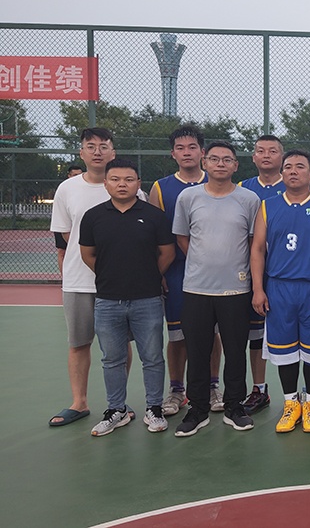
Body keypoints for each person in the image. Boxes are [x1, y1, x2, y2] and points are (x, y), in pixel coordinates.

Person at [79, 158, 174, 436]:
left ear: (138, 184)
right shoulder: (93, 216)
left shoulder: (154, 216)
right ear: (106, 183)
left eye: (129, 179)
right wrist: (112, 274)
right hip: (107, 301)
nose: (122, 184)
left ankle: (154, 408)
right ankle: (116, 410)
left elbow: (167, 253)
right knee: (112, 359)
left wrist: (148, 275)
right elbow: (88, 254)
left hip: (147, 299)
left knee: (152, 357)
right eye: (116, 179)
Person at [172, 141, 260, 436]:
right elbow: (183, 238)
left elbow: (254, 243)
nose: (220, 164)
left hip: (236, 289)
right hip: (196, 289)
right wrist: (203, 263)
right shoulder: (188, 197)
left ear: (236, 165)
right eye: (214, 159)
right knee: (197, 352)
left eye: (227, 159)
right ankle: (198, 409)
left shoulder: (249, 199)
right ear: (205, 163)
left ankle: (234, 406)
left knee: (235, 351)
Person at [251, 150, 310, 434]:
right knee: (284, 352)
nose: (293, 171)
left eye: (300, 167)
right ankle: (291, 403)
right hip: (279, 287)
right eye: (288, 166)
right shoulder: (267, 206)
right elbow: (257, 249)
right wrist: (258, 289)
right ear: (282, 173)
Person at [48, 129, 118, 427]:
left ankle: (118, 403)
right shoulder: (67, 189)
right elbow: (66, 234)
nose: (97, 152)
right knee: (78, 343)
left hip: (116, 281)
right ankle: (79, 402)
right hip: (78, 280)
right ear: (81, 153)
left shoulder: (124, 184)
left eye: (103, 146)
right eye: (91, 146)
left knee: (118, 346)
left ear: (113, 153)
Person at [148, 126, 216, 417]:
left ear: (202, 152)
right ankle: (177, 390)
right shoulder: (161, 188)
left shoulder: (218, 181)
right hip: (177, 272)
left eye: (192, 147)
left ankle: (213, 386)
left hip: (213, 273)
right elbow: (154, 235)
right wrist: (159, 271)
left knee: (213, 333)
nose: (186, 152)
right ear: (172, 153)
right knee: (177, 335)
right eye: (180, 147)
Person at [238, 135, 287, 415]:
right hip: (248, 273)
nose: (266, 155)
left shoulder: (297, 187)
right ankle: (258, 388)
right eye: (260, 151)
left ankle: (302, 393)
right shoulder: (242, 189)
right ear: (253, 157)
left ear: (282, 157)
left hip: (287, 274)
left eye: (273, 151)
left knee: (295, 332)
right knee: (253, 333)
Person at [54, 164, 85, 275]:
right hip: (64, 224)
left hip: (79, 225)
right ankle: (65, 278)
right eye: (75, 175)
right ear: (69, 176)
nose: (77, 177)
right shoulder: (63, 189)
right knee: (62, 251)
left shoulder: (85, 189)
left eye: (80, 175)